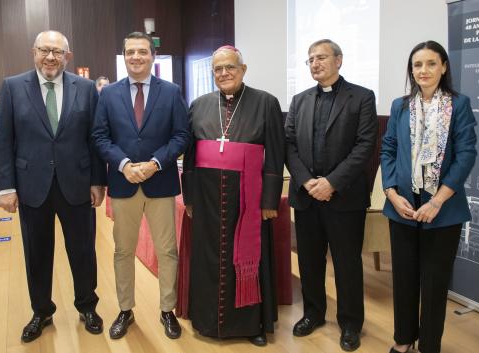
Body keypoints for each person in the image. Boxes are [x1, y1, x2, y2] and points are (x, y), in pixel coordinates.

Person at [0, 30, 107, 343]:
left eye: (57, 52)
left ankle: (87, 306)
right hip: (32, 186)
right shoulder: (13, 87)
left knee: (83, 251)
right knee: (37, 253)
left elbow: (94, 139)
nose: (50, 57)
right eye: (44, 50)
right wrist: (6, 187)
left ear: (67, 57)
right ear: (33, 52)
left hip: (78, 185)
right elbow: (3, 140)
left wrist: (98, 180)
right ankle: (41, 311)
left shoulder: (85, 89)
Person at [181, 45, 285, 346]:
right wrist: (189, 196)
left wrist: (269, 201)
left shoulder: (266, 103)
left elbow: (276, 154)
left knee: (247, 258)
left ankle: (251, 324)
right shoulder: (199, 104)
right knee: (209, 259)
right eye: (217, 69)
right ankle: (206, 321)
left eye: (230, 67)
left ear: (243, 69)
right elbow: (189, 155)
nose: (224, 73)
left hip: (248, 200)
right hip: (207, 198)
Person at [381, 40, 477, 353]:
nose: (424, 70)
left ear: (444, 67)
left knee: (434, 285)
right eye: (417, 64)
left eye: (431, 63)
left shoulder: (458, 104)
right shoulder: (400, 105)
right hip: (403, 207)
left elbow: (465, 154)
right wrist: (391, 193)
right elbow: (389, 149)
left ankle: (429, 346)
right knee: (404, 279)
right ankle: (403, 339)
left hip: (444, 209)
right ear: (411, 69)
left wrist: (438, 200)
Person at [92, 31, 189, 341]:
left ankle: (167, 310)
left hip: (160, 183)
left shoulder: (171, 92)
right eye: (130, 52)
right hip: (123, 184)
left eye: (142, 52)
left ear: (153, 56)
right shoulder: (108, 95)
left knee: (167, 251)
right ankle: (125, 309)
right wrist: (124, 165)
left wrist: (155, 163)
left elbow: (181, 135)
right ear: (124, 56)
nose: (136, 57)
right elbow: (100, 137)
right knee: (123, 251)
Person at [285, 38, 377, 352]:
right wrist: (308, 181)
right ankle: (313, 314)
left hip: (345, 197)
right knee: (310, 262)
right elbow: (289, 146)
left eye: (321, 57)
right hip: (307, 196)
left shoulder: (362, 97)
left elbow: (365, 146)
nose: (315, 63)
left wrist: (332, 183)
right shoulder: (298, 100)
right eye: (310, 59)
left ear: (339, 60)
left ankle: (350, 324)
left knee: (347, 263)